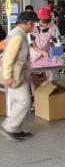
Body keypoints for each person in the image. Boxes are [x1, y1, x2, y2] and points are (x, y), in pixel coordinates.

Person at [0, 12, 38, 141]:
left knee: (17, 101)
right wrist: (7, 76)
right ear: (28, 23)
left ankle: (14, 129)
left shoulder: (18, 33)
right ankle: (9, 127)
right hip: (14, 75)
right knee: (24, 101)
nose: (33, 27)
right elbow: (8, 57)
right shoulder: (17, 36)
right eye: (33, 24)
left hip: (18, 73)